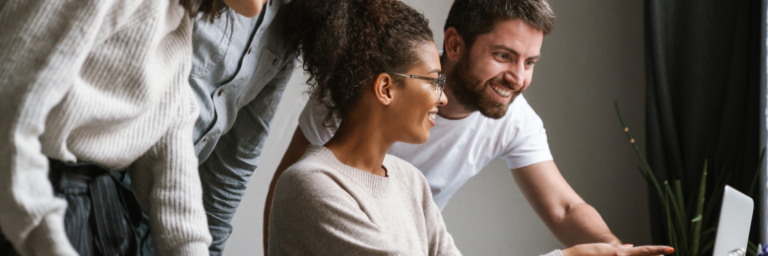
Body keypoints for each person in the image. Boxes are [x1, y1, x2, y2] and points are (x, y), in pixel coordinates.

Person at [266, 0, 671, 254]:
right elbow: (293, 190)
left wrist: (616, 251)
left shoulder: (410, 182)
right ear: (455, 45)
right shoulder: (321, 165)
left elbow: (564, 207)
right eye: (503, 55)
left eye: (530, 63)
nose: (519, 78)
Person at [0, 0, 270, 255]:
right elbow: (8, 124)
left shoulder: (177, 22)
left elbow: (172, 161)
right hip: (29, 205)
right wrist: (49, 242)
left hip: (86, 212)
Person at [267, 0, 460, 254]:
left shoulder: (412, 182)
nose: (442, 97)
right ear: (385, 89)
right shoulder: (310, 184)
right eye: (434, 81)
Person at [117, 0, 299, 255]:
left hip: (165, 215)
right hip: (105, 173)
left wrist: (210, 249)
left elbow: (236, 159)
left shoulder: (293, 25)